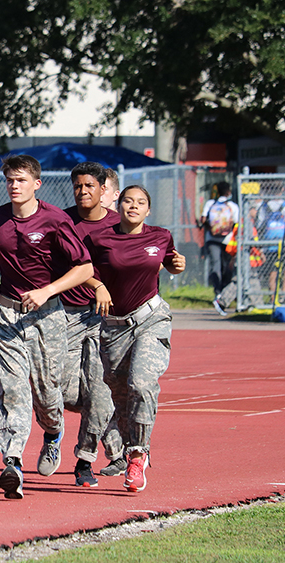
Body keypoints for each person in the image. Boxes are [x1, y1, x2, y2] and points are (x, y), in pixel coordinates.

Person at [0, 155, 93, 500]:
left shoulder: (55, 219)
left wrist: (47, 291)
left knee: (46, 392)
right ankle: (12, 462)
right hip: (6, 316)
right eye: (9, 180)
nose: (14, 186)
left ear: (36, 184)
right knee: (11, 390)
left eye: (21, 180)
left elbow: (84, 268)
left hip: (48, 316)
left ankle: (53, 434)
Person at [85, 185, 186, 493]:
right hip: (114, 326)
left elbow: (169, 260)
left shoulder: (160, 236)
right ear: (119, 205)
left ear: (148, 210)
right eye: (128, 200)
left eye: (140, 202)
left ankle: (138, 454)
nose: (133, 206)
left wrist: (176, 265)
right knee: (120, 393)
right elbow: (80, 270)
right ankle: (130, 445)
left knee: (141, 384)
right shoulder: (100, 238)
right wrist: (97, 285)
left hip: (150, 319)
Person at [60, 162, 123, 486]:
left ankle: (84, 459)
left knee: (99, 391)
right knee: (63, 391)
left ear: (103, 189)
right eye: (78, 186)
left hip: (105, 320)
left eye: (89, 186)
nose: (83, 192)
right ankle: (114, 440)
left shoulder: (119, 225)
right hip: (65, 317)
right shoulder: (62, 221)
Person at [199, 181, 240, 314]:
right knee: (227, 266)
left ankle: (217, 293)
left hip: (212, 239)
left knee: (215, 265)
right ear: (228, 192)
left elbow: (203, 220)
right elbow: (236, 222)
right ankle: (224, 292)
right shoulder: (232, 206)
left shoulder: (210, 204)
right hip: (228, 240)